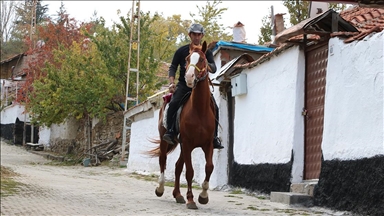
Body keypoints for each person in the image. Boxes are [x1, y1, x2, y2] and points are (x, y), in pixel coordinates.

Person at [162, 23, 224, 149]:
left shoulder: (206, 52)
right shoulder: (181, 51)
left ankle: (214, 137)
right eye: (194, 34)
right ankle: (171, 131)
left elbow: (214, 68)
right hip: (184, 86)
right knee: (173, 104)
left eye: (199, 34)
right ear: (190, 35)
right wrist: (171, 82)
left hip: (201, 87)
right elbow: (173, 67)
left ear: (202, 35)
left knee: (215, 108)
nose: (196, 37)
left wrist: (206, 63)